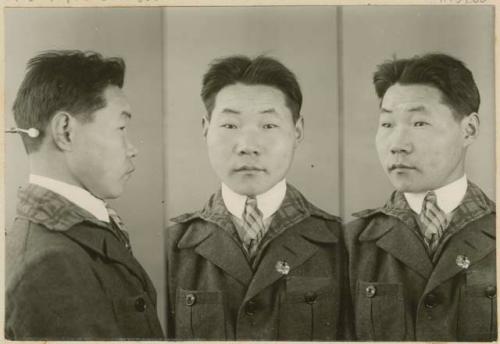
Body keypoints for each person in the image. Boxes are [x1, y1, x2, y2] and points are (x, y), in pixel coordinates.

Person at [165, 55, 350, 340]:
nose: (248, 146)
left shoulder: (340, 242)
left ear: (297, 131)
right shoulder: (172, 246)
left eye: (268, 126)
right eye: (230, 125)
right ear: (205, 128)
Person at [5, 50, 164, 340]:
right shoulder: (49, 264)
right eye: (121, 128)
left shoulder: (64, 237)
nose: (132, 148)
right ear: (65, 131)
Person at [345, 53, 496, 341]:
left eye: (419, 123)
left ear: (469, 129)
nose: (397, 145)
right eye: (387, 124)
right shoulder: (350, 245)